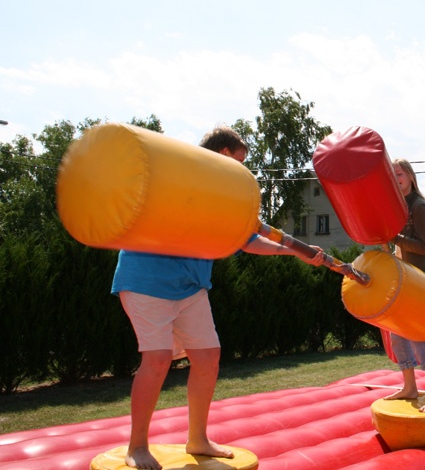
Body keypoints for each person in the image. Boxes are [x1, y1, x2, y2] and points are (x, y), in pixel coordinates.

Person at [111, 126, 324, 470]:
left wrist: (296, 251)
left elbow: (248, 240)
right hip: (147, 279)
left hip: (190, 286)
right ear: (224, 155)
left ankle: (197, 438)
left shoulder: (224, 195)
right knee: (158, 359)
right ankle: (137, 446)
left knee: (208, 358)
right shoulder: (185, 179)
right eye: (240, 161)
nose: (243, 170)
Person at [381, 158, 425, 413]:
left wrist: (394, 238)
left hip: (424, 280)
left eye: (399, 173)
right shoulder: (399, 205)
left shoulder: (419, 206)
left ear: (409, 175)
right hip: (407, 277)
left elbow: (422, 247)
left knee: (419, 335)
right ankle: (410, 387)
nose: (396, 178)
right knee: (397, 334)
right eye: (392, 174)